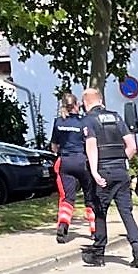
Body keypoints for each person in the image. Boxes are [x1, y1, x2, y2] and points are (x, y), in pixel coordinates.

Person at [81, 88, 138, 268]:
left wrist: (95, 171)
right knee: (126, 213)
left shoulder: (89, 120)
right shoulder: (116, 117)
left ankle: (98, 254)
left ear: (86, 102)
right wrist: (120, 159)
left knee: (100, 212)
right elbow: (132, 146)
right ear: (101, 100)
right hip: (121, 172)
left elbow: (91, 147)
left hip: (104, 172)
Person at [50, 93, 96, 243]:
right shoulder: (84, 122)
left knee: (67, 198)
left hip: (65, 162)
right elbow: (90, 143)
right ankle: (95, 230)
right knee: (90, 197)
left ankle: (62, 227)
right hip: (83, 162)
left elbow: (54, 147)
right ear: (77, 105)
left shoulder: (58, 122)